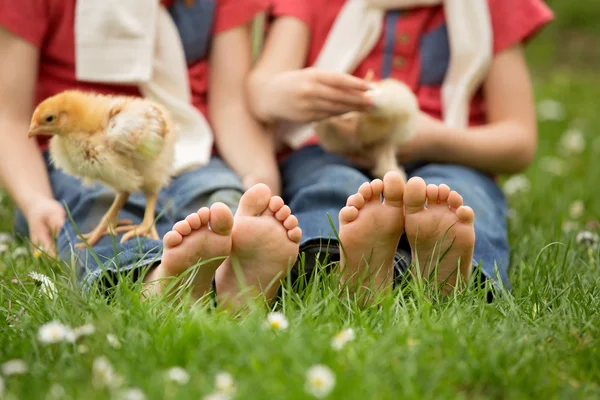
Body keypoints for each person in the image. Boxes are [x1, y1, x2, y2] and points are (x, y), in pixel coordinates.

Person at [0, 0, 301, 311]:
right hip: (85, 157)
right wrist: (35, 200)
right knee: (96, 207)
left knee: (219, 194)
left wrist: (257, 171)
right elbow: (9, 115)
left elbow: (230, 104)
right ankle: (152, 279)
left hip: (187, 143)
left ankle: (235, 274)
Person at [247, 0, 554, 300]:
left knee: (454, 197)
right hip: (327, 149)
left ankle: (444, 265)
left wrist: (436, 139)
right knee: (328, 183)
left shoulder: (494, 6)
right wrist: (283, 93)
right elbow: (260, 90)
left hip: (452, 153)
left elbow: (519, 141)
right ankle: (340, 258)